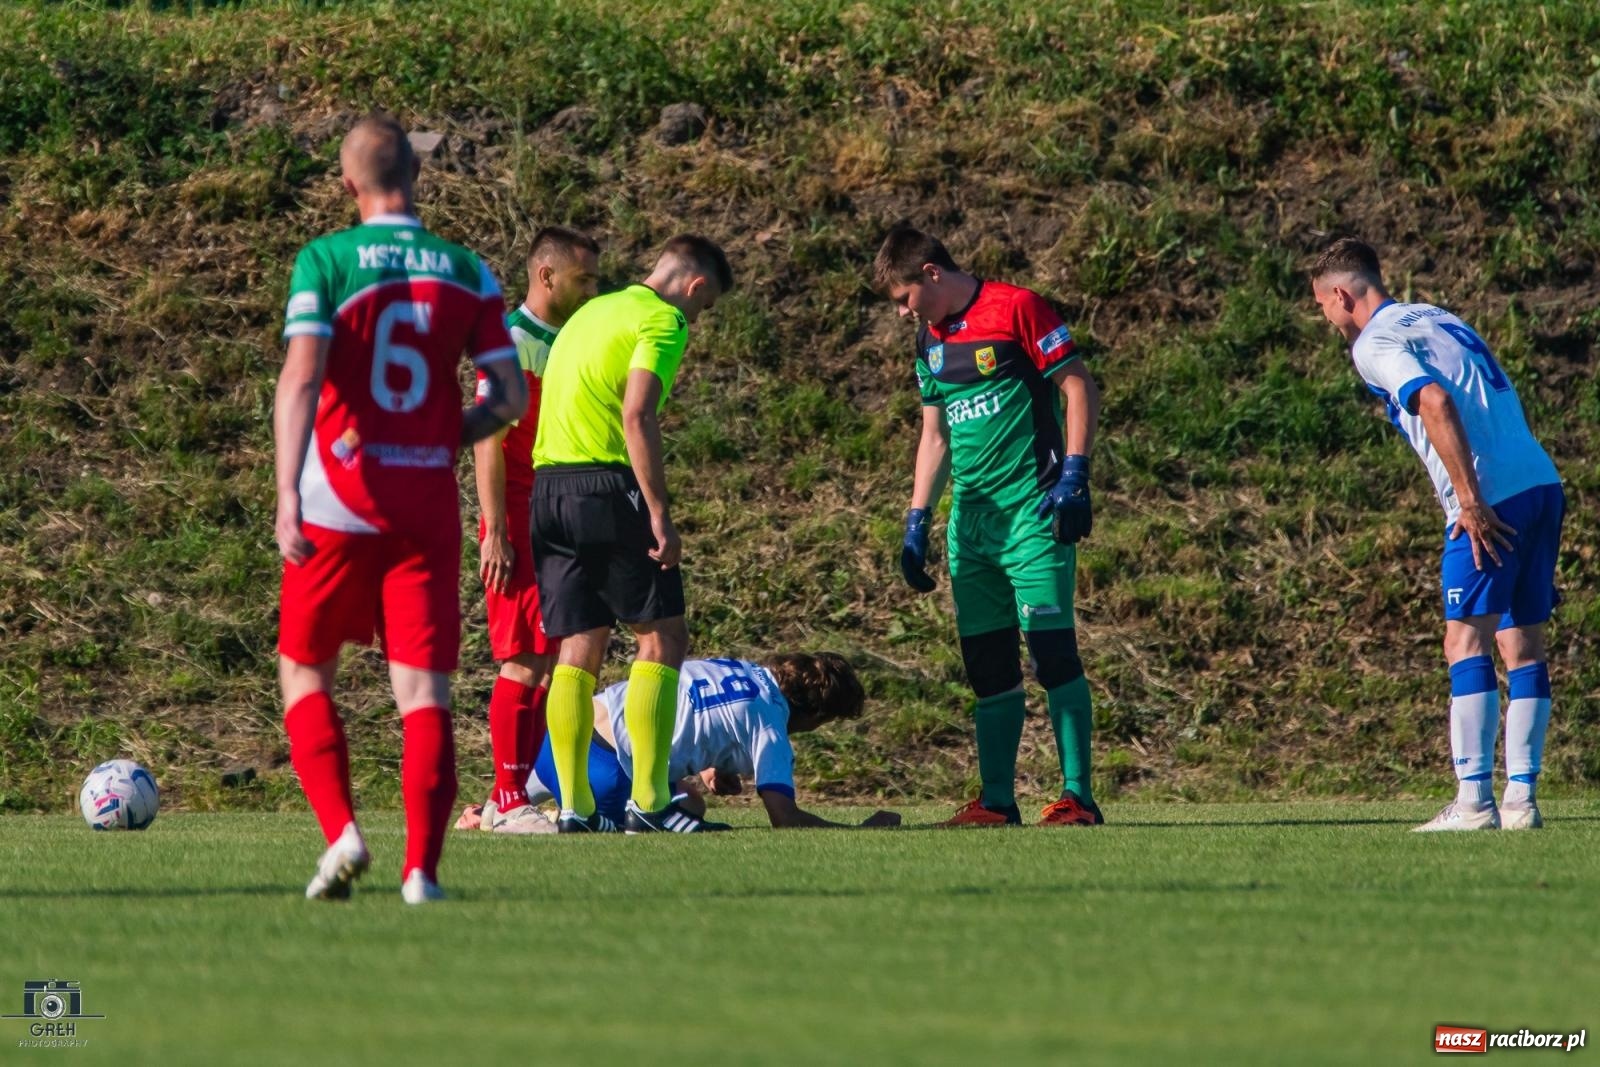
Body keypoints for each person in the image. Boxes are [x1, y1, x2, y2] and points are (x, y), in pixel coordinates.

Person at [275, 114, 528, 904]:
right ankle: (422, 872)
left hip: (336, 500)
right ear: (415, 179)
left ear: (348, 183)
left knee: (304, 668)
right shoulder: (466, 270)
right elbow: (509, 394)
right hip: (424, 506)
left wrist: (286, 492)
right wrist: (444, 435)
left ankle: (343, 832)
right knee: (424, 693)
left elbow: (301, 379)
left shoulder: (326, 260)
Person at [1310, 237, 1564, 832]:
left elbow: (1433, 398)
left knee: (1464, 643)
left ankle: (1474, 802)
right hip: (1539, 482)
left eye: (1322, 305)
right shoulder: (1436, 316)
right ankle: (1522, 801)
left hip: (1490, 496)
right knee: (1522, 647)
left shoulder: (1374, 341)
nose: (1324, 317)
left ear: (1342, 295)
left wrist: (1470, 500)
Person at [873, 224, 1103, 828]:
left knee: (1052, 653)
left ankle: (1077, 797)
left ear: (930, 274)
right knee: (988, 666)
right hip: (971, 528)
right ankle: (998, 801)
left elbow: (1077, 385)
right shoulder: (928, 341)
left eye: (903, 298)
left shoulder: (1017, 308)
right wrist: (918, 517)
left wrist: (1075, 473)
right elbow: (935, 433)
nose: (902, 313)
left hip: (1034, 511)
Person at [531, 234, 733, 834]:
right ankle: (650, 803)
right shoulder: (664, 320)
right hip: (604, 487)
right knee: (663, 636)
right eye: (707, 304)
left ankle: (574, 809)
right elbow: (637, 412)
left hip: (547, 490)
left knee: (577, 648)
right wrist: (659, 511)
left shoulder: (592, 311)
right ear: (695, 287)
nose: (699, 316)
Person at [468, 226, 600, 835]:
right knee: (522, 658)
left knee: (548, 660)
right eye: (585, 279)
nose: (592, 289)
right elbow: (487, 443)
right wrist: (495, 529)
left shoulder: (572, 339)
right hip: (518, 514)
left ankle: (506, 796)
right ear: (546, 276)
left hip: (555, 510)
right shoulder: (511, 341)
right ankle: (508, 797)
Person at [456, 654, 900, 830]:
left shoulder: (735, 666)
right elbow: (784, 818)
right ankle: (553, 821)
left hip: (562, 734)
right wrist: (860, 830)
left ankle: (496, 807)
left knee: (677, 781)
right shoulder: (772, 725)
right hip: (604, 773)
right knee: (689, 805)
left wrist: (706, 765)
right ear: (818, 715)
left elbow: (684, 713)